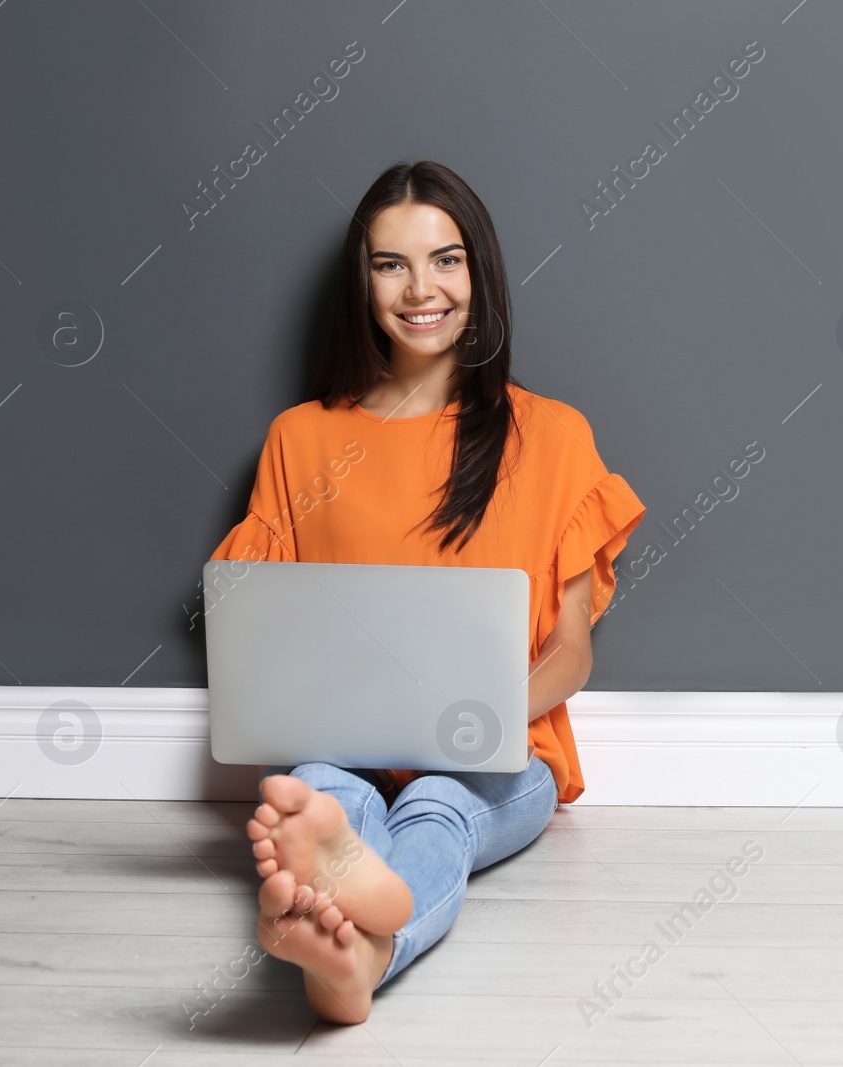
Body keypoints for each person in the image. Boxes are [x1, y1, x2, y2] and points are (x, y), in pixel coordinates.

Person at [207, 160, 646, 1023]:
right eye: (390, 264)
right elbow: (261, 627)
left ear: (477, 272)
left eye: (445, 260)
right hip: (341, 740)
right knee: (332, 790)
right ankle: (356, 948)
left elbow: (571, 650)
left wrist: (476, 722)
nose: (421, 289)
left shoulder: (550, 434)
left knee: (441, 801)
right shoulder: (301, 438)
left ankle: (360, 938)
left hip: (501, 752)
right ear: (361, 282)